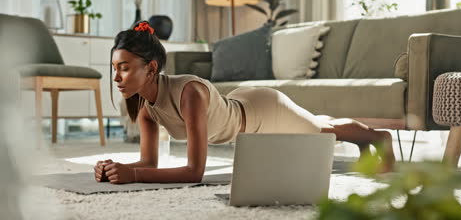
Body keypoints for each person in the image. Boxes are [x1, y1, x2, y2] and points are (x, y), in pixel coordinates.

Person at [94, 22, 395, 184]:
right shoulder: (147, 111)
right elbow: (149, 164)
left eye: (125, 67)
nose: (117, 77)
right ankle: (364, 141)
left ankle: (378, 136)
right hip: (240, 103)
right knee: (320, 124)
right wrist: (116, 167)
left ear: (150, 68)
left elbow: (194, 171)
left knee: (321, 130)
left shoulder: (190, 94)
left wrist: (133, 175)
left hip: (261, 111)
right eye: (115, 68)